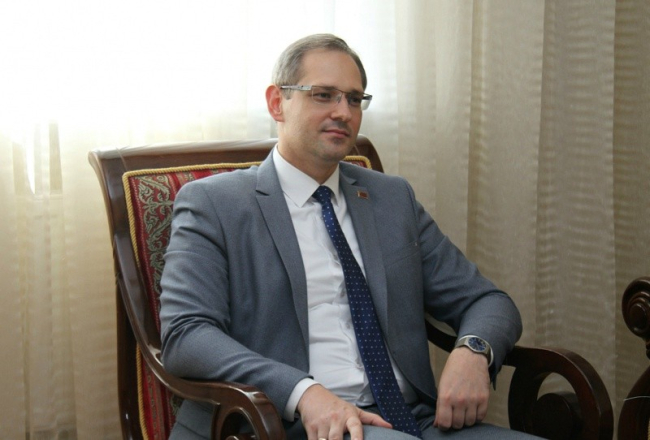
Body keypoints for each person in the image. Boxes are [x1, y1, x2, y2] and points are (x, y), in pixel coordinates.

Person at [159, 34, 541, 440]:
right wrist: (303, 392)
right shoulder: (215, 204)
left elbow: (488, 301)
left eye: (354, 99)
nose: (343, 112)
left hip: (416, 421)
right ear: (277, 103)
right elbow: (187, 335)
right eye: (323, 95)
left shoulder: (392, 198)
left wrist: (474, 351)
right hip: (287, 426)